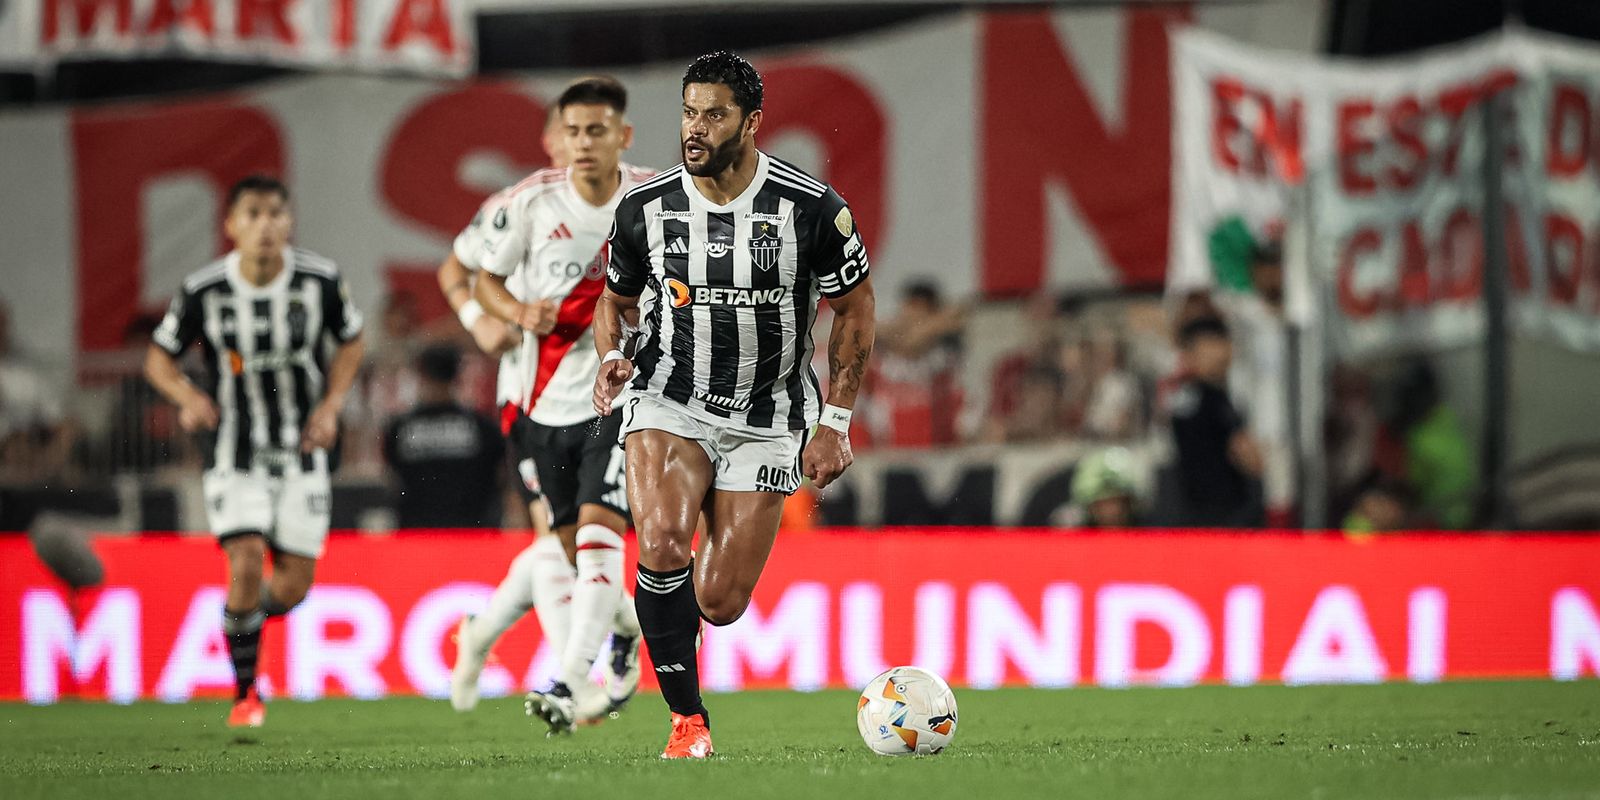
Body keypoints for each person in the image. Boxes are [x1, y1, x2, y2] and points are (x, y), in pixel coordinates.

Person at [593, 51, 877, 758]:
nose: (695, 127)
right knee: (659, 545)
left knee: (718, 602)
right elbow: (615, 300)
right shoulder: (645, 208)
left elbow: (856, 309)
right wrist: (612, 353)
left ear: (751, 122)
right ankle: (688, 724)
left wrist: (835, 423)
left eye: (714, 114)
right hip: (670, 399)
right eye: (689, 111)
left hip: (767, 418)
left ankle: (645, 623)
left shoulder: (812, 209)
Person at [144, 175, 365, 728]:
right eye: (253, 214)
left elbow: (353, 339)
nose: (265, 225)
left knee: (290, 589)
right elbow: (158, 358)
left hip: (303, 452)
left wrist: (333, 404)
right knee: (243, 559)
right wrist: (186, 395)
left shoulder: (320, 280)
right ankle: (246, 695)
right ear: (231, 225)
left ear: (289, 222)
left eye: (275, 213)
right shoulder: (204, 289)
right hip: (232, 452)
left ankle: (238, 619)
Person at [472, 76, 658, 729]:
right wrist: (517, 311)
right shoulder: (527, 204)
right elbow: (483, 281)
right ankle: (632, 631)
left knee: (603, 537)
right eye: (574, 131)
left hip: (618, 399)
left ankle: (569, 679)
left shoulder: (653, 198)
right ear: (561, 137)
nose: (584, 143)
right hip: (539, 408)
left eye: (598, 130)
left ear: (622, 137)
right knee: (576, 552)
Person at [382, 344, 505, 528]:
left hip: (416, 536)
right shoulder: (482, 426)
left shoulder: (399, 428)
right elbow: (500, 476)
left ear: (421, 374)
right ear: (458, 376)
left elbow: (392, 479)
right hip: (473, 536)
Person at [1166, 316, 1264, 528]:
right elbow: (1248, 456)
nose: (1223, 352)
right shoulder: (1214, 399)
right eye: (1212, 345)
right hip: (1223, 515)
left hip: (1190, 512)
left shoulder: (1179, 396)